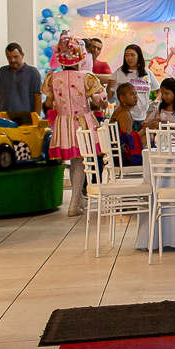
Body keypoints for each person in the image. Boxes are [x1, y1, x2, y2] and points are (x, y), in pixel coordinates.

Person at [42, 35, 106, 217]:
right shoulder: (86, 77)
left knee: (73, 162)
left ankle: (76, 200)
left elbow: (48, 103)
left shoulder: (52, 78)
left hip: (63, 122)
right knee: (80, 161)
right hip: (83, 122)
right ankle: (75, 201)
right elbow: (99, 100)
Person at [109, 44, 160, 130]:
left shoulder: (147, 72)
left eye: (132, 55)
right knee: (129, 138)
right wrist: (108, 87)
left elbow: (159, 90)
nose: (129, 58)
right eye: (126, 55)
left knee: (140, 137)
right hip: (124, 115)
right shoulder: (119, 73)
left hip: (142, 116)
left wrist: (154, 104)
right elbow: (110, 96)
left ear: (138, 56)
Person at [0, 43, 42, 116]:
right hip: (5, 116)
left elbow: (38, 96)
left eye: (15, 57)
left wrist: (36, 117)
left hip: (26, 117)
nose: (12, 60)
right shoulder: (2, 71)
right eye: (9, 57)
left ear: (22, 55)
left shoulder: (32, 72)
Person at [110, 83, 143, 166]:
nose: (135, 96)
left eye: (136, 93)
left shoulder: (123, 111)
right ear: (122, 98)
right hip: (123, 157)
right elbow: (129, 140)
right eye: (131, 94)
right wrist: (145, 130)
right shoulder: (123, 114)